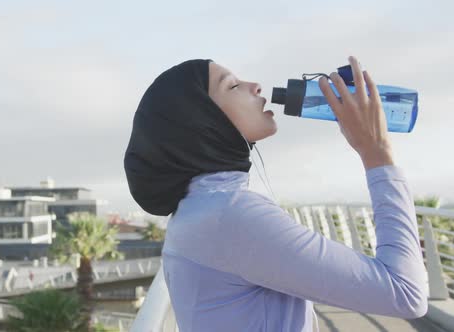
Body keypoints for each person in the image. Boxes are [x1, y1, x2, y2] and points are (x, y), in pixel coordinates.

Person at [123, 56, 428, 331]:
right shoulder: (228, 216)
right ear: (201, 120)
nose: (254, 86)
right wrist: (378, 154)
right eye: (232, 86)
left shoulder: (201, 209)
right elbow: (405, 293)